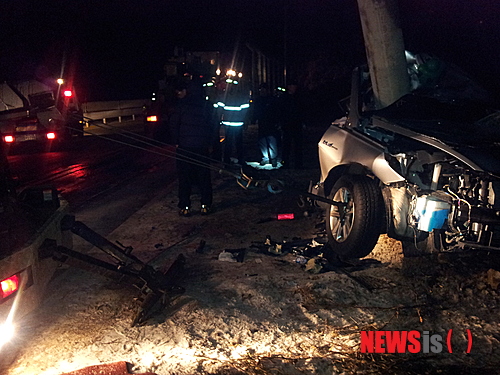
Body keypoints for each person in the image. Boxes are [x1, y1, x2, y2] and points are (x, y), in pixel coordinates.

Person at [168, 80, 214, 216]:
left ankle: (185, 206)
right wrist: (210, 143)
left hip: (185, 147)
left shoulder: (181, 105)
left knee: (184, 177)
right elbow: (212, 126)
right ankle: (205, 205)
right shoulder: (207, 105)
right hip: (201, 147)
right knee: (204, 177)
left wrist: (176, 141)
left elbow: (174, 124)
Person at [216, 85, 250, 166]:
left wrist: (219, 120)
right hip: (238, 123)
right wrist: (245, 121)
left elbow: (219, 109)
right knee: (239, 143)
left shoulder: (225, 97)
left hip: (228, 124)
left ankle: (227, 160)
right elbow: (245, 110)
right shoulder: (241, 97)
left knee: (228, 143)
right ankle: (240, 159)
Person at [251, 83, 280, 167]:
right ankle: (266, 157)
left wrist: (277, 121)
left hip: (271, 122)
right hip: (262, 122)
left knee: (271, 140)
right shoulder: (259, 100)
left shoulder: (272, 100)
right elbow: (255, 111)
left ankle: (273, 157)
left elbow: (276, 111)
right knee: (263, 141)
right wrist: (254, 119)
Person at [279, 81, 305, 169]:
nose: (294, 87)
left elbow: (302, 110)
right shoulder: (284, 98)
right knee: (286, 145)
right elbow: (281, 111)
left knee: (298, 145)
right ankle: (285, 163)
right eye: (292, 85)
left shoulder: (298, 97)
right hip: (287, 124)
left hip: (297, 124)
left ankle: (298, 164)